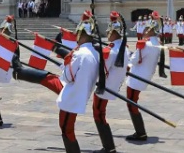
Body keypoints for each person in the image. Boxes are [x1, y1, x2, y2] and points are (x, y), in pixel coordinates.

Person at [56, 11, 100, 153]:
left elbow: (67, 77)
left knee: (66, 130)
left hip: (72, 98)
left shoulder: (80, 54)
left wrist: (66, 63)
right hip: (80, 94)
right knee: (67, 129)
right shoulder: (94, 53)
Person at [93, 11, 131, 153]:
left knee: (98, 114)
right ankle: (108, 146)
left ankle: (108, 147)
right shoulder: (124, 48)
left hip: (104, 87)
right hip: (114, 85)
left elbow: (102, 70)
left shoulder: (111, 50)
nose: (107, 33)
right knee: (100, 113)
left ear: (114, 32)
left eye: (109, 31)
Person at [124, 12, 162, 142]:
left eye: (146, 29)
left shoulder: (145, 44)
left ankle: (140, 132)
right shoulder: (157, 43)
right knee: (132, 102)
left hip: (137, 76)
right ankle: (140, 131)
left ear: (150, 30)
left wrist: (127, 59)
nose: (144, 31)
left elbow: (134, 61)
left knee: (131, 103)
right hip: (145, 75)